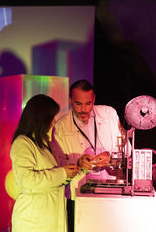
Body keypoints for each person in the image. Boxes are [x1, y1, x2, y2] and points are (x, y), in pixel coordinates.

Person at [53, 79, 125, 232]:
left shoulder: (109, 115)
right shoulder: (60, 126)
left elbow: (127, 152)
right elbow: (57, 168)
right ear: (70, 100)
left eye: (88, 104)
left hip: (110, 193)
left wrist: (111, 157)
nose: (84, 109)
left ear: (94, 99)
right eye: (78, 104)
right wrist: (78, 164)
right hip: (77, 196)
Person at [10, 94, 80, 232]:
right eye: (51, 117)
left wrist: (78, 168)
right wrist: (63, 173)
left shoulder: (46, 143)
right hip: (33, 221)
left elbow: (58, 177)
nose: (54, 121)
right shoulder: (22, 143)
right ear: (40, 117)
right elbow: (27, 180)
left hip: (51, 218)